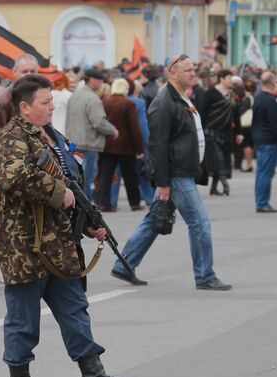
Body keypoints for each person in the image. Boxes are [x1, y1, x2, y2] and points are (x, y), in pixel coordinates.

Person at [0, 74, 140, 377]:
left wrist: (89, 223)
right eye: (45, 102)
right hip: (25, 244)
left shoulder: (53, 137)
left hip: (59, 242)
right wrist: (61, 195)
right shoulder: (10, 138)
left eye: (51, 100)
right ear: (25, 107)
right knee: (23, 317)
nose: (52, 106)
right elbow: (15, 177)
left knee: (74, 309)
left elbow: (73, 181)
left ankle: (94, 376)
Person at [110, 54, 231, 291]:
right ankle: (205, 275)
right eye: (188, 70)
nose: (193, 73)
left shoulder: (182, 98)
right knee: (200, 223)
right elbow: (158, 146)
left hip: (181, 171)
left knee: (154, 220)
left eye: (194, 69)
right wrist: (163, 182)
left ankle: (124, 265)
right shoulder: (164, 103)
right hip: (176, 174)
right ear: (172, 73)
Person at [0, 54, 39, 282]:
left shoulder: (35, 97)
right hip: (12, 169)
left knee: (24, 217)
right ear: (14, 73)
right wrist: (8, 164)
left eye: (33, 71)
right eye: (25, 71)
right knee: (13, 217)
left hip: (32, 165)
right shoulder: (3, 100)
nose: (29, 75)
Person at [65, 68, 118, 199]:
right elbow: (98, 122)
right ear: (93, 80)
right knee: (88, 180)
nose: (102, 84)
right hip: (88, 144)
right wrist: (113, 130)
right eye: (100, 80)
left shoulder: (75, 95)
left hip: (73, 143)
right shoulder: (93, 99)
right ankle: (87, 210)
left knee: (76, 178)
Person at [97, 78, 143, 212]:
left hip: (108, 144)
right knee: (130, 176)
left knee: (105, 175)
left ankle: (104, 203)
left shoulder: (104, 102)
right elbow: (135, 127)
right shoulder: (128, 103)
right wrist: (139, 148)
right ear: (126, 89)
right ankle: (134, 203)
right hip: (126, 146)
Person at [202, 69, 240, 196]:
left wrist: (239, 133)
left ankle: (213, 188)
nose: (231, 81)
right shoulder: (210, 93)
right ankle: (225, 184)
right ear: (222, 79)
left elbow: (236, 114)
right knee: (218, 158)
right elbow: (202, 112)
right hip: (211, 131)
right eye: (229, 78)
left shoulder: (231, 94)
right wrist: (200, 130)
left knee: (222, 158)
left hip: (226, 132)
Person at [250, 72, 277, 213]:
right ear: (272, 83)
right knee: (266, 173)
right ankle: (262, 202)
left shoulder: (258, 98)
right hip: (268, 140)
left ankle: (261, 201)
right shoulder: (271, 101)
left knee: (261, 173)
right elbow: (275, 125)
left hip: (259, 139)